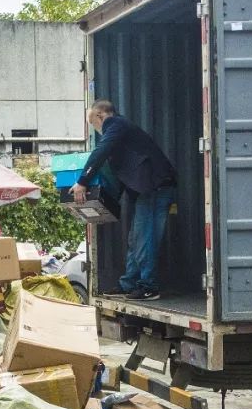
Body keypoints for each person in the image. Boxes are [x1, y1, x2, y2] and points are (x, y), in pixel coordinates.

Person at [74, 100, 177, 301]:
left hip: (156, 187)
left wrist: (82, 181)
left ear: (101, 116)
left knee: (144, 236)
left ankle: (149, 287)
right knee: (136, 238)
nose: (96, 130)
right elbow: (120, 174)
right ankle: (128, 283)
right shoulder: (122, 135)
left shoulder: (115, 125)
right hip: (148, 189)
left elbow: (101, 151)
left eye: (93, 123)